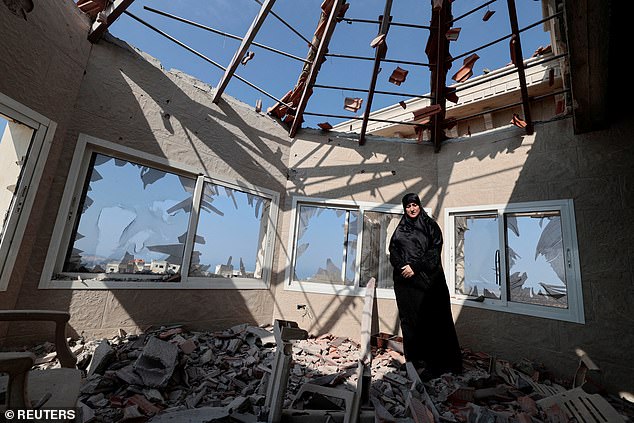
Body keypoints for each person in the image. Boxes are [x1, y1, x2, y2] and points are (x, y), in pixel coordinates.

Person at [389, 193, 462, 378]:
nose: (412, 209)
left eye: (414, 205)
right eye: (408, 206)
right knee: (409, 321)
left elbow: (434, 252)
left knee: (432, 321)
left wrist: (415, 267)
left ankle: (436, 365)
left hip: (428, 282)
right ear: (404, 208)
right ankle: (414, 362)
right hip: (405, 284)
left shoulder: (430, 226)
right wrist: (401, 267)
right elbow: (394, 250)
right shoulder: (401, 228)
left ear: (420, 206)